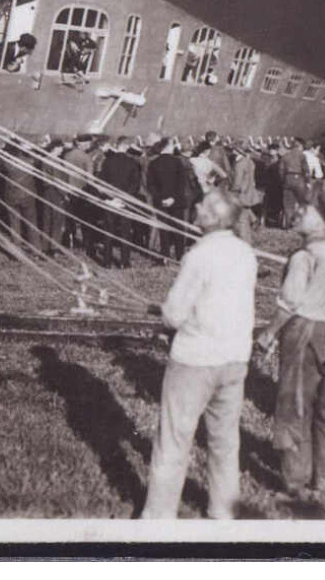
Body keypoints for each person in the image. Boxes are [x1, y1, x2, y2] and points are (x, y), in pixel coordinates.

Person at [141, 189, 257, 520]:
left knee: (174, 440)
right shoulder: (245, 253)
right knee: (225, 440)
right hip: (235, 356)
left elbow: (174, 314)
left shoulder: (198, 256)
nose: (195, 207)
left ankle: (158, 517)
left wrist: (166, 314)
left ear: (211, 218)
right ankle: (224, 509)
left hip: (195, 358)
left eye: (202, 205)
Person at [255, 204, 325, 509]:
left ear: (322, 221)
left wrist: (269, 333)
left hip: (304, 332)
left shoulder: (303, 256)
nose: (296, 213)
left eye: (305, 211)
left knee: (294, 407)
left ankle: (295, 482)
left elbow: (290, 302)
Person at [98, 136, 145, 267]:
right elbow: (135, 184)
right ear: (126, 147)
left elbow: (102, 182)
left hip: (110, 201)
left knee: (108, 230)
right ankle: (124, 261)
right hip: (125, 202)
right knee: (125, 232)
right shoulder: (132, 163)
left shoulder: (107, 161)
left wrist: (110, 198)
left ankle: (106, 261)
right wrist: (124, 198)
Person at [146, 138, 194, 260]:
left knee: (164, 229)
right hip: (177, 201)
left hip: (160, 201)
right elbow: (181, 183)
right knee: (178, 228)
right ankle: (180, 255)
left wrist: (161, 198)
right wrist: (173, 198)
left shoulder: (153, 163)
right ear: (167, 147)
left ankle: (165, 256)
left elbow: (151, 185)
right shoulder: (178, 162)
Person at [279, 138, 311, 220]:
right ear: (299, 146)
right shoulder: (302, 156)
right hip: (299, 179)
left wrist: (283, 181)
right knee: (302, 200)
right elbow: (306, 170)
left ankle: (288, 221)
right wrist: (308, 181)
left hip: (288, 179)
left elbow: (281, 170)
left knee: (288, 202)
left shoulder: (285, 156)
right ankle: (301, 220)